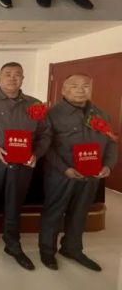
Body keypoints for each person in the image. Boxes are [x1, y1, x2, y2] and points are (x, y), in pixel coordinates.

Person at [0, 62, 52, 270]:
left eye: (17, 75)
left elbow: (45, 134)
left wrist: (36, 153)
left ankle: (13, 246)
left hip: (22, 166)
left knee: (14, 207)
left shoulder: (34, 105)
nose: (12, 78)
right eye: (7, 74)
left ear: (23, 79)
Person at [39, 74, 117, 272]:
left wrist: (108, 165)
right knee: (54, 213)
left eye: (86, 86)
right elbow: (46, 147)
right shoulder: (52, 114)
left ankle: (72, 248)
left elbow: (111, 142)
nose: (81, 90)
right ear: (64, 90)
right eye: (74, 86)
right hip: (61, 174)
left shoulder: (101, 114)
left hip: (91, 175)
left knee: (80, 213)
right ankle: (47, 251)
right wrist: (65, 169)